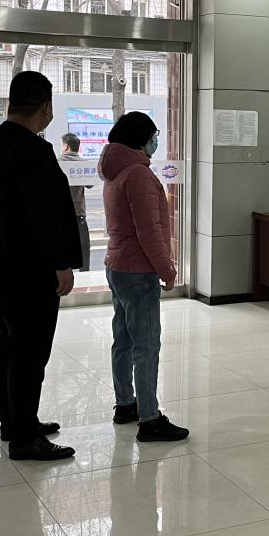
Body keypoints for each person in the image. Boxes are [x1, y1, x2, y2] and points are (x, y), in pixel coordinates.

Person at [0, 71, 81, 462]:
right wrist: (61, 263)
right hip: (30, 269)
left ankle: (15, 421)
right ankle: (24, 437)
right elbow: (45, 215)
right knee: (30, 351)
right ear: (46, 107)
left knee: (8, 344)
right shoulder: (33, 151)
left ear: (10, 104)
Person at [100, 111, 187, 442]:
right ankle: (149, 419)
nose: (156, 141)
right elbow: (149, 232)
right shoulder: (137, 174)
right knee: (146, 344)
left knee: (123, 339)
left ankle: (126, 404)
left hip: (118, 266)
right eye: (154, 135)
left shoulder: (115, 170)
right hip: (137, 271)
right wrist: (167, 269)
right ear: (142, 138)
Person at [59, 133, 91, 273]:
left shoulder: (56, 162)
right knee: (84, 246)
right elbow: (90, 185)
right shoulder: (83, 164)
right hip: (79, 213)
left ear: (66, 146)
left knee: (62, 247)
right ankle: (85, 273)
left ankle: (64, 274)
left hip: (60, 214)